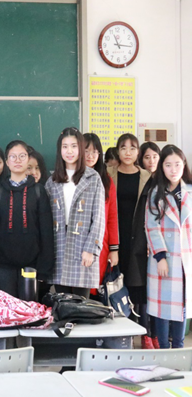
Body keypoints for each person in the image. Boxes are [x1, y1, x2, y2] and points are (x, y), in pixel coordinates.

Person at [0, 140, 54, 299]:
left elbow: (46, 233)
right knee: (7, 310)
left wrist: (44, 269)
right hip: (4, 267)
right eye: (13, 156)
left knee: (28, 310)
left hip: (31, 267)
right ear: (7, 162)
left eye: (22, 156)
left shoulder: (38, 191)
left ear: (28, 159)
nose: (17, 160)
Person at [45, 127, 105, 298]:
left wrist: (91, 249)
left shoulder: (92, 178)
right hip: (58, 246)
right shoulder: (52, 181)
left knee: (81, 304)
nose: (69, 151)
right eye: (65, 147)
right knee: (62, 302)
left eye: (74, 146)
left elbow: (99, 218)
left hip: (82, 246)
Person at [107, 133, 153, 348]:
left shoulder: (147, 177)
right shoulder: (108, 174)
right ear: (118, 151)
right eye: (123, 148)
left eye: (132, 148)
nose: (127, 152)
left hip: (138, 239)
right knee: (114, 285)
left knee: (137, 286)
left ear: (138, 152)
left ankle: (142, 334)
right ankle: (116, 334)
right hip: (114, 237)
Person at [145, 145, 192, 349]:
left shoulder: (189, 191)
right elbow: (151, 226)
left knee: (182, 305)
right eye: (168, 165)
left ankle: (179, 349)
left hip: (186, 258)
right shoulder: (156, 193)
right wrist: (161, 256)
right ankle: (164, 349)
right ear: (161, 167)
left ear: (184, 165)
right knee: (162, 307)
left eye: (177, 164)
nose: (173, 170)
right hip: (164, 259)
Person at [83, 133, 119, 292]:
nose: (90, 156)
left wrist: (114, 249)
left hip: (101, 243)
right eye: (86, 151)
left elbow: (112, 217)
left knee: (95, 289)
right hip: (76, 243)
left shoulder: (106, 180)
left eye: (95, 151)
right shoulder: (71, 178)